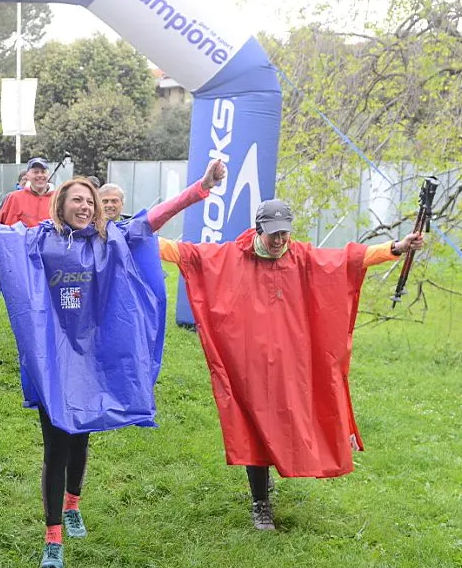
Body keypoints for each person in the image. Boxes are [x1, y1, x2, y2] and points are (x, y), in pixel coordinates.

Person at [0, 158, 227, 568]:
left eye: (90, 201)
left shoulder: (111, 240)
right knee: (56, 444)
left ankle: (73, 505)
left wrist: (202, 187)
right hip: (53, 357)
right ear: (61, 204)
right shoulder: (37, 241)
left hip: (93, 358)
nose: (85, 206)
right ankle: (52, 539)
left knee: (81, 437)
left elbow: (155, 217)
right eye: (77, 200)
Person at [158, 197, 425, 531]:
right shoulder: (233, 257)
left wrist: (396, 247)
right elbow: (187, 255)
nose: (280, 240)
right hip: (249, 366)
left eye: (284, 233)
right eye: (273, 234)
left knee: (286, 419)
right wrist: (140, 237)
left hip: (292, 365)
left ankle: (270, 474)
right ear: (258, 229)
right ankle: (260, 503)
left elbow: (349, 259)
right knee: (253, 426)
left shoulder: (302, 257)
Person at [0, 157, 53, 227]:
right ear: (28, 176)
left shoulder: (58, 200)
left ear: (48, 175)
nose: (40, 175)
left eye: (43, 172)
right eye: (36, 172)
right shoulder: (14, 198)